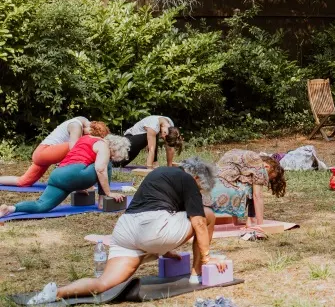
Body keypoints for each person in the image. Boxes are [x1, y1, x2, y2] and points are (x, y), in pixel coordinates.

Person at [23, 158, 227, 305]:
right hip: (153, 230)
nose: (198, 192)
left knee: (104, 283)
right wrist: (207, 257)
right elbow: (198, 223)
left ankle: (57, 292)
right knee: (207, 215)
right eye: (200, 189)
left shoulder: (160, 174)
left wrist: (166, 250)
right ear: (197, 178)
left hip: (125, 231)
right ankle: (197, 272)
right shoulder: (189, 180)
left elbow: (160, 208)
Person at [0, 130, 130, 217]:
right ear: (114, 148)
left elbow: (78, 158)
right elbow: (100, 170)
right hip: (75, 174)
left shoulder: (86, 138)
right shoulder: (104, 145)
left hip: (58, 175)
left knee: (42, 205)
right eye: (113, 155)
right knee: (105, 164)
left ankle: (10, 208)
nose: (111, 156)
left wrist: (78, 186)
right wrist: (109, 193)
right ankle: (103, 201)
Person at [0, 117, 94, 187]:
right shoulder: (76, 125)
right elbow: (74, 151)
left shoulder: (83, 122)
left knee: (23, 182)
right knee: (79, 147)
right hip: (44, 152)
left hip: (44, 155)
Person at [209, 149, 286, 232]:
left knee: (247, 182)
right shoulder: (259, 165)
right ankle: (253, 221)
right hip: (222, 192)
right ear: (267, 167)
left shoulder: (245, 158)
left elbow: (231, 178)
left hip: (208, 186)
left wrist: (235, 221)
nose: (267, 180)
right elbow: (257, 196)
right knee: (254, 187)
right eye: (270, 177)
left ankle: (240, 220)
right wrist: (260, 225)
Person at [118, 115, 183, 168]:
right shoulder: (153, 126)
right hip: (128, 139)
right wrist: (149, 168)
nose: (162, 138)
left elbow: (170, 148)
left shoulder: (170, 125)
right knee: (153, 134)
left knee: (119, 164)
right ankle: (154, 162)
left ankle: (114, 163)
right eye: (163, 137)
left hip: (136, 147)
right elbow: (151, 149)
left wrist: (169, 167)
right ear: (165, 133)